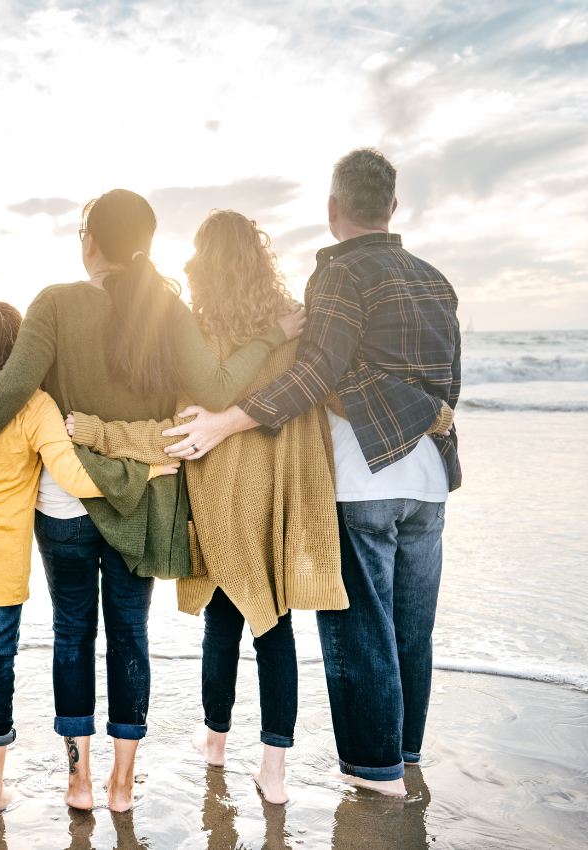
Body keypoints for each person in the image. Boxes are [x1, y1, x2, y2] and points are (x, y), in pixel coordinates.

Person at [0, 189, 306, 811]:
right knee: (129, 636)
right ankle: (121, 786)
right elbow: (216, 387)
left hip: (66, 505)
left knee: (73, 634)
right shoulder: (167, 308)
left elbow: (8, 392)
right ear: (147, 245)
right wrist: (269, 337)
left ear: (90, 242)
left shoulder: (53, 303)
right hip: (144, 503)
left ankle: (77, 781)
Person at [151, 148, 460, 796]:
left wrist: (226, 421)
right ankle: (404, 758)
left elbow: (314, 376)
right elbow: (445, 386)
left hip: (362, 477)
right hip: (429, 483)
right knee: (413, 633)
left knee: (360, 633)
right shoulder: (437, 282)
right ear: (394, 207)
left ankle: (375, 776)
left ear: (332, 210)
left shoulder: (338, 277)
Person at [67, 209, 346, 804]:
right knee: (275, 626)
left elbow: (182, 415)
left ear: (202, 263)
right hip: (272, 495)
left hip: (218, 494)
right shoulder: (291, 324)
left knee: (222, 622)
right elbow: (317, 396)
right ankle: (274, 770)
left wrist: (98, 430)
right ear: (258, 259)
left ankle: (216, 742)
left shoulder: (194, 328)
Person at [0, 300, 177, 816]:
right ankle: (10, 790)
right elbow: (76, 475)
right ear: (23, 354)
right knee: (8, 666)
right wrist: (149, 471)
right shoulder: (34, 406)